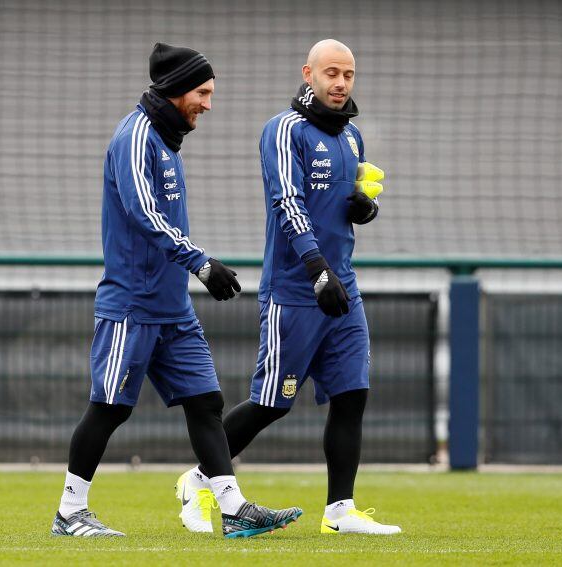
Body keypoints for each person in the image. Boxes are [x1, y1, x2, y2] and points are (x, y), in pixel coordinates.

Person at [51, 42, 302, 538]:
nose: (208, 103)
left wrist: (192, 270)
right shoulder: (135, 136)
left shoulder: (165, 140)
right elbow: (143, 212)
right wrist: (200, 262)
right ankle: (69, 511)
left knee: (206, 402)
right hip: (132, 304)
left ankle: (232, 509)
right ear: (175, 90)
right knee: (109, 407)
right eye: (202, 92)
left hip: (173, 308)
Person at [175, 39, 400, 535]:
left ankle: (340, 511)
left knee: (352, 395)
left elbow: (349, 200)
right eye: (332, 74)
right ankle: (198, 477)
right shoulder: (284, 130)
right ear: (308, 74)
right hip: (295, 291)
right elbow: (286, 203)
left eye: (349, 75)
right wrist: (318, 269)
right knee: (272, 403)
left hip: (342, 288)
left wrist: (365, 207)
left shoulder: (353, 137)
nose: (341, 84)